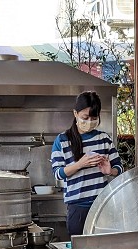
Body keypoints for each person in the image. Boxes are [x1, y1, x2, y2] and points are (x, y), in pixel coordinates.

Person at [51, 91, 123, 236]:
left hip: (102, 206)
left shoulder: (103, 138)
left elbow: (119, 167)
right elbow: (58, 174)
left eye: (94, 118)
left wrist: (110, 171)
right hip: (77, 208)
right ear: (75, 113)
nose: (89, 121)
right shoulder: (63, 140)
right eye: (85, 117)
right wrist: (80, 164)